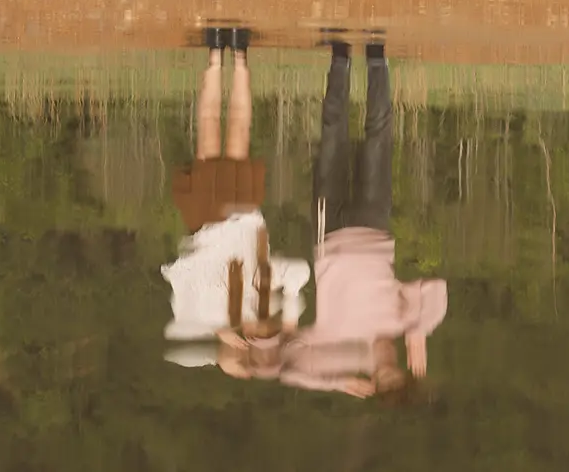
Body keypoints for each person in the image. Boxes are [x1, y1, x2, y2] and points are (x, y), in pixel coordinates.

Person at [264, 37, 447, 399]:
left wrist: (334, 382)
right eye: (396, 376)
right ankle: (377, 60)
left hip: (330, 232)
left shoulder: (344, 352)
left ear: (374, 383)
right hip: (373, 227)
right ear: (403, 370)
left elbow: (288, 367)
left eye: (384, 381)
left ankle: (341, 58)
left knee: (333, 135)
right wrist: (418, 333)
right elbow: (437, 290)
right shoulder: (404, 322)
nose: (387, 371)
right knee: (378, 136)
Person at [161, 26, 310, 369]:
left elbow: (183, 302)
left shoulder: (214, 315)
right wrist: (289, 321)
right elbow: (300, 270)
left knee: (208, 128)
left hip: (208, 220)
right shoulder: (267, 295)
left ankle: (215, 55)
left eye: (257, 337)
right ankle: (240, 56)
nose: (260, 330)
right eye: (268, 332)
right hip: (242, 214)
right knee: (239, 128)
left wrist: (221, 335)